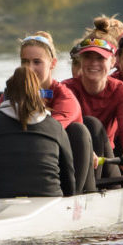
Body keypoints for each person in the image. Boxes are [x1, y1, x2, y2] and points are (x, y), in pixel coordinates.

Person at [0, 65, 79, 199]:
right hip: (50, 202)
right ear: (39, 95)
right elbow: (70, 186)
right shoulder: (55, 127)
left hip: (1, 200)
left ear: (6, 95)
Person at [17, 30, 95, 192]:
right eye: (25, 62)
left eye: (37, 62)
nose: (29, 68)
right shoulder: (11, 94)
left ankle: (74, 197)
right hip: (35, 163)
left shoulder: (65, 97)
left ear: (52, 63)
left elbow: (47, 131)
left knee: (78, 129)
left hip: (70, 174)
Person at [64, 35, 123, 171]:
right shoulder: (66, 89)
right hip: (77, 157)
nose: (94, 63)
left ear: (112, 62)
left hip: (107, 156)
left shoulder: (121, 90)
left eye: (100, 58)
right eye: (88, 57)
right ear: (80, 61)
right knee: (90, 124)